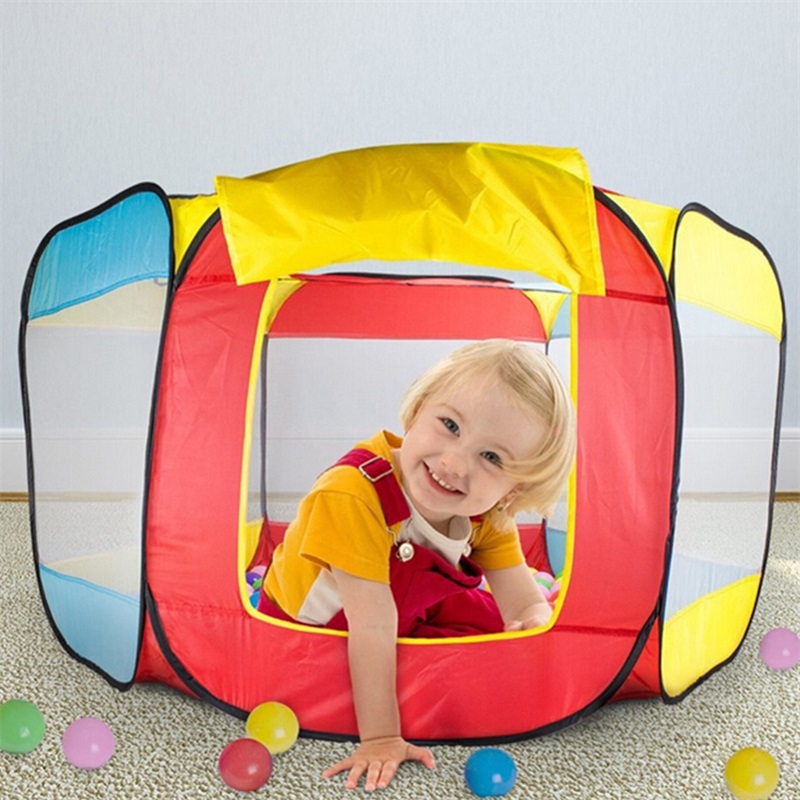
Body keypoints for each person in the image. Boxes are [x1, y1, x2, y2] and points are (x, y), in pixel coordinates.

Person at [261, 339, 576, 791]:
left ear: (513, 491)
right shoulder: (352, 494)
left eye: (491, 458)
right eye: (450, 425)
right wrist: (381, 738)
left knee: (488, 621)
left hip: (404, 608)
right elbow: (372, 626)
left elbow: (523, 601)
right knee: (410, 655)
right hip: (328, 624)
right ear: (418, 408)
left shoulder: (488, 514)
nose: (453, 463)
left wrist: (535, 632)